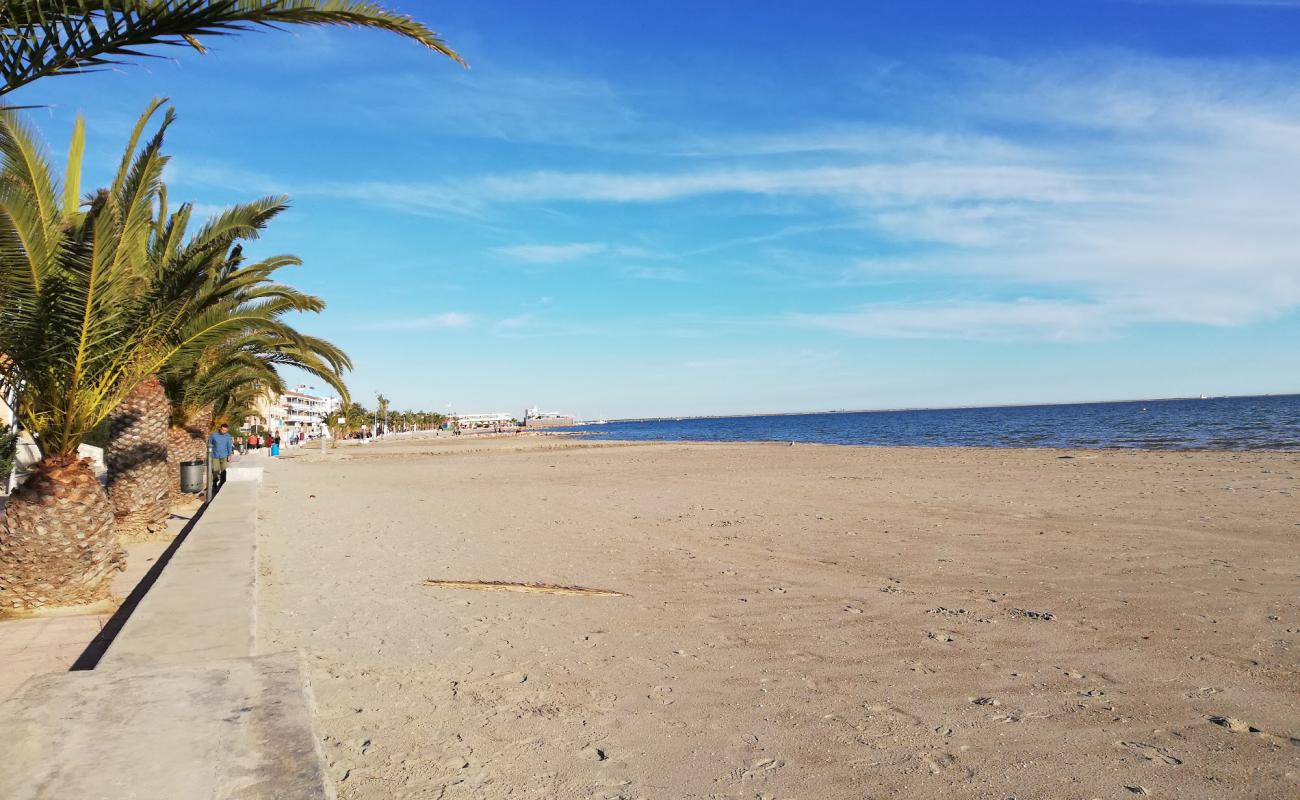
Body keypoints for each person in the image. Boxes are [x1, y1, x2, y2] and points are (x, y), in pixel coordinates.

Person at [208, 423, 234, 491]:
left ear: (227, 430)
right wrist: (209, 454)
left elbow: (229, 446)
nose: (223, 431)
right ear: (220, 428)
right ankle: (214, 484)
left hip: (224, 456)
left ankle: (222, 484)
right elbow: (209, 444)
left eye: (225, 430)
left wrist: (230, 455)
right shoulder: (214, 435)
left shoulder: (228, 436)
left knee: (224, 471)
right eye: (223, 430)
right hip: (215, 456)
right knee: (215, 470)